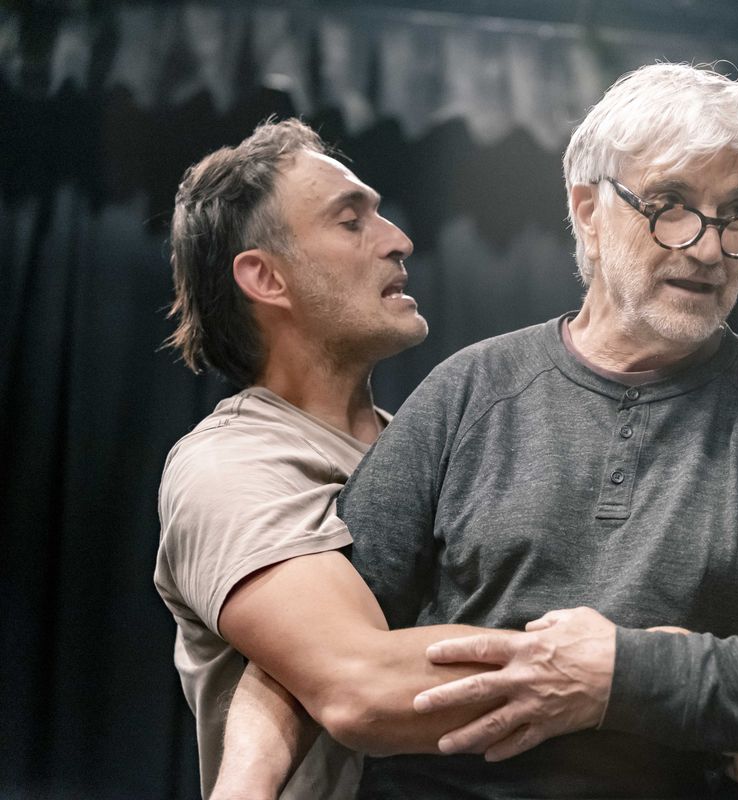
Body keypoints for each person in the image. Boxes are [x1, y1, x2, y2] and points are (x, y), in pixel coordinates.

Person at [325, 62, 738, 798]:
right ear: (589, 212)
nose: (709, 248)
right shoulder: (469, 391)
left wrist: (628, 677)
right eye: (671, 205)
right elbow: (330, 646)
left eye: (736, 213)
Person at [154, 119, 525, 798]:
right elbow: (360, 684)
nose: (399, 240)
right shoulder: (231, 466)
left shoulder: (431, 454)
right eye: (351, 222)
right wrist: (631, 674)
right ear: (266, 277)